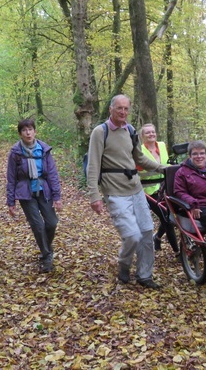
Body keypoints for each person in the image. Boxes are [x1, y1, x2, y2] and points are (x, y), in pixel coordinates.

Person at [86, 95, 166, 289]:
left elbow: (139, 158)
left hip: (136, 189)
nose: (123, 112)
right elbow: (93, 165)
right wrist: (94, 195)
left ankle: (144, 275)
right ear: (111, 109)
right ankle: (124, 264)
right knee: (131, 235)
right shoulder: (100, 132)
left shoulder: (130, 130)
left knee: (147, 232)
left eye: (126, 109)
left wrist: (163, 168)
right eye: (119, 108)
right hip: (114, 190)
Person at [6, 119, 62, 273]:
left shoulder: (43, 150)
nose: (28, 133)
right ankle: (46, 256)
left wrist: (57, 197)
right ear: (20, 134)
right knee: (38, 225)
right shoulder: (16, 153)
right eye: (24, 130)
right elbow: (11, 178)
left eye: (30, 129)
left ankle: (46, 247)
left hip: (44, 190)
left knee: (51, 223)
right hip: (26, 193)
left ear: (35, 131)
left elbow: (52, 174)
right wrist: (11, 202)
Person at [138, 123, 179, 255]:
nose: (151, 134)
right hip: (148, 191)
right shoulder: (139, 150)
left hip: (165, 187)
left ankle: (158, 237)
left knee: (172, 215)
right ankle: (178, 252)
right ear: (142, 136)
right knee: (167, 219)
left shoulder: (161, 146)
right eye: (147, 132)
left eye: (153, 132)